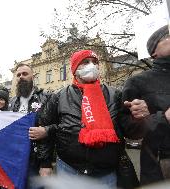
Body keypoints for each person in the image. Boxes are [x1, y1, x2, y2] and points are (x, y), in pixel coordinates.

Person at [38, 50, 144, 188]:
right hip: (68, 170)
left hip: (105, 173)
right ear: (75, 69)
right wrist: (45, 163)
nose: (92, 66)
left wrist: (137, 118)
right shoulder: (58, 96)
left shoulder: (115, 94)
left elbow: (130, 132)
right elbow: (45, 129)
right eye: (85, 62)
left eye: (95, 62)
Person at [122, 25, 170, 185]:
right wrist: (162, 118)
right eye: (168, 36)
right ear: (153, 51)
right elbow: (128, 128)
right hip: (162, 164)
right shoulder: (137, 82)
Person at [8, 63, 51, 189]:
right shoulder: (12, 102)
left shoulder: (46, 98)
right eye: (18, 75)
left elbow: (56, 127)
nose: (21, 77)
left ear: (33, 77)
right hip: (15, 159)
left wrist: (46, 163)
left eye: (25, 74)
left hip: (35, 160)